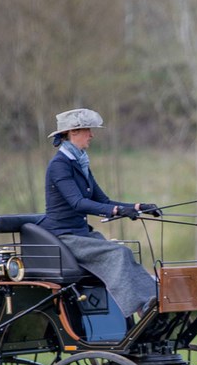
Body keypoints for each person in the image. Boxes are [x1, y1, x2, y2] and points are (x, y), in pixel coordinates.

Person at [39, 107, 161, 316]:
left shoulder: (80, 163)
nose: (92, 135)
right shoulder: (59, 165)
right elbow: (78, 203)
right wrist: (116, 210)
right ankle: (142, 306)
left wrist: (137, 207)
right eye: (88, 130)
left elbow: (102, 200)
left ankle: (155, 299)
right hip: (65, 236)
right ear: (73, 133)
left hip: (81, 234)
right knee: (119, 253)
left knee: (125, 252)